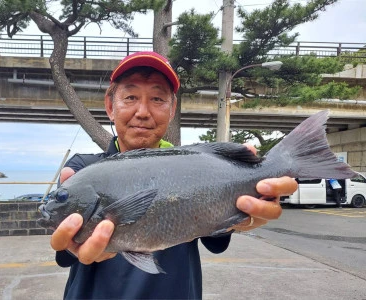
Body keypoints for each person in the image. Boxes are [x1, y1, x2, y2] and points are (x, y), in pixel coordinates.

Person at [50, 51, 298, 299]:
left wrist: (246, 213)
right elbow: (63, 253)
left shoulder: (192, 166)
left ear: (172, 109)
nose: (143, 111)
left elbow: (216, 241)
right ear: (110, 106)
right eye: (131, 96)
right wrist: (71, 246)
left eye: (157, 98)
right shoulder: (83, 170)